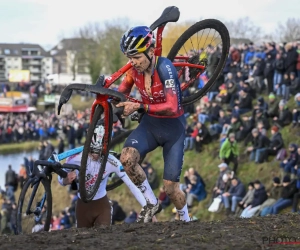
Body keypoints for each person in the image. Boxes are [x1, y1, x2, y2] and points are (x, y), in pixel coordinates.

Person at [116, 26, 190, 222]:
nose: (133, 62)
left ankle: (185, 219)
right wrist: (109, 101)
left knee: (170, 188)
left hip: (173, 128)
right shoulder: (133, 70)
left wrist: (139, 106)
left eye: (137, 57)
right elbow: (120, 93)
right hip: (150, 125)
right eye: (129, 57)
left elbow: (173, 106)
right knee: (127, 159)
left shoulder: (165, 68)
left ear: (150, 51)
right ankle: (151, 202)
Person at [58, 124, 148, 228]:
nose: (95, 156)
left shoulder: (111, 161)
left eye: (99, 152)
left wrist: (147, 207)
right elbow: (60, 178)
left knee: (103, 238)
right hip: (82, 207)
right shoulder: (74, 158)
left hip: (102, 206)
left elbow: (131, 184)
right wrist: (65, 180)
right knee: (82, 240)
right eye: (92, 151)